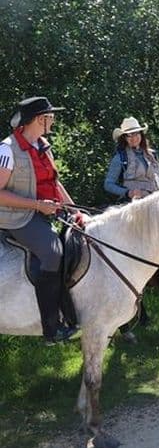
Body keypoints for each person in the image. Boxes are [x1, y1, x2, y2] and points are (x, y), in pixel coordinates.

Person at [0, 97, 79, 344]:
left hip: (41, 212)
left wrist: (74, 209)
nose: (53, 121)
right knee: (53, 252)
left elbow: (54, 183)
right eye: (50, 116)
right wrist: (38, 206)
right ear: (38, 119)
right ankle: (50, 328)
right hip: (15, 217)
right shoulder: (7, 149)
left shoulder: (42, 145)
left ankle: (70, 313)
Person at [104, 117, 159, 201]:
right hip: (132, 204)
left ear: (141, 135)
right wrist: (128, 193)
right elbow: (108, 184)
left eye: (136, 133)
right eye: (129, 135)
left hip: (155, 201)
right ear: (124, 138)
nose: (134, 138)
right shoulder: (120, 157)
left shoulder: (152, 155)